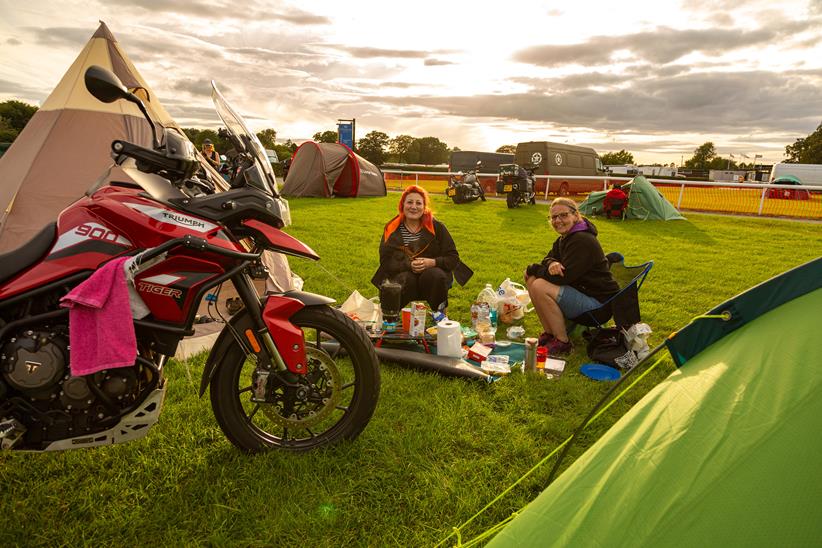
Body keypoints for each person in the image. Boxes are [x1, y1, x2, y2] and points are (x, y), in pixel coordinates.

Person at [524, 197, 619, 356]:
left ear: (575, 215)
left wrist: (534, 268)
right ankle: (550, 334)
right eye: (554, 217)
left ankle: (563, 342)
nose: (558, 221)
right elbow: (547, 258)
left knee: (539, 284)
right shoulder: (565, 238)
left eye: (563, 215)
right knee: (532, 279)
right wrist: (551, 263)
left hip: (598, 306)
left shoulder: (582, 240)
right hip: (583, 293)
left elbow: (562, 278)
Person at [371, 185, 471, 314]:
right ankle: (390, 317)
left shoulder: (437, 227)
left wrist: (432, 262)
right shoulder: (392, 228)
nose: (414, 207)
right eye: (409, 202)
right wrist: (408, 264)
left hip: (432, 277)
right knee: (405, 280)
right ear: (402, 205)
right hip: (403, 275)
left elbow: (453, 258)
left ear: (424, 207)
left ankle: (440, 316)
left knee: (435, 275)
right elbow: (385, 261)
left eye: (418, 203)